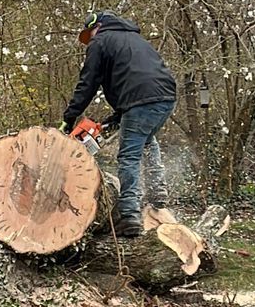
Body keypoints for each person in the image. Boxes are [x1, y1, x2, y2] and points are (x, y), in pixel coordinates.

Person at [61, 12, 177, 236]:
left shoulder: (100, 41)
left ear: (97, 26)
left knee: (128, 156)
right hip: (166, 97)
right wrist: (117, 117)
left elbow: (88, 82)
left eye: (89, 34)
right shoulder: (135, 39)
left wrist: (69, 117)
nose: (89, 39)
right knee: (146, 140)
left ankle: (130, 214)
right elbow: (136, 78)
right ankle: (157, 191)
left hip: (140, 100)